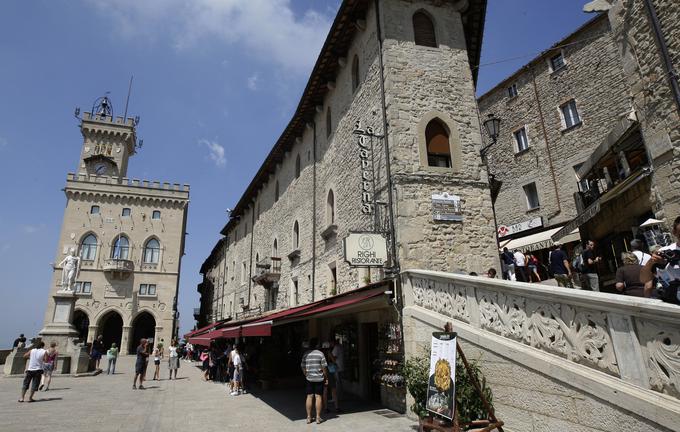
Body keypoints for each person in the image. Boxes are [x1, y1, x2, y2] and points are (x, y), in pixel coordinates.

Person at [641, 216, 680, 303]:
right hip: (675, 303)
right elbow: (644, 279)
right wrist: (651, 262)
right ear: (674, 232)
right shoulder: (666, 252)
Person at [301, 338, 328, 424]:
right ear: (317, 345)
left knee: (309, 396)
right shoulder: (320, 354)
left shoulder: (306, 354)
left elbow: (302, 365)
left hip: (309, 378)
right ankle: (318, 418)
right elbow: (324, 367)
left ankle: (308, 417)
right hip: (319, 378)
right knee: (318, 396)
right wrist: (326, 378)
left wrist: (306, 374)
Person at [323, 344, 339, 413]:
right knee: (333, 390)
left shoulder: (321, 354)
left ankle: (326, 408)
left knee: (325, 391)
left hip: (323, 372)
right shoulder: (329, 352)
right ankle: (336, 407)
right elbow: (334, 361)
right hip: (330, 372)